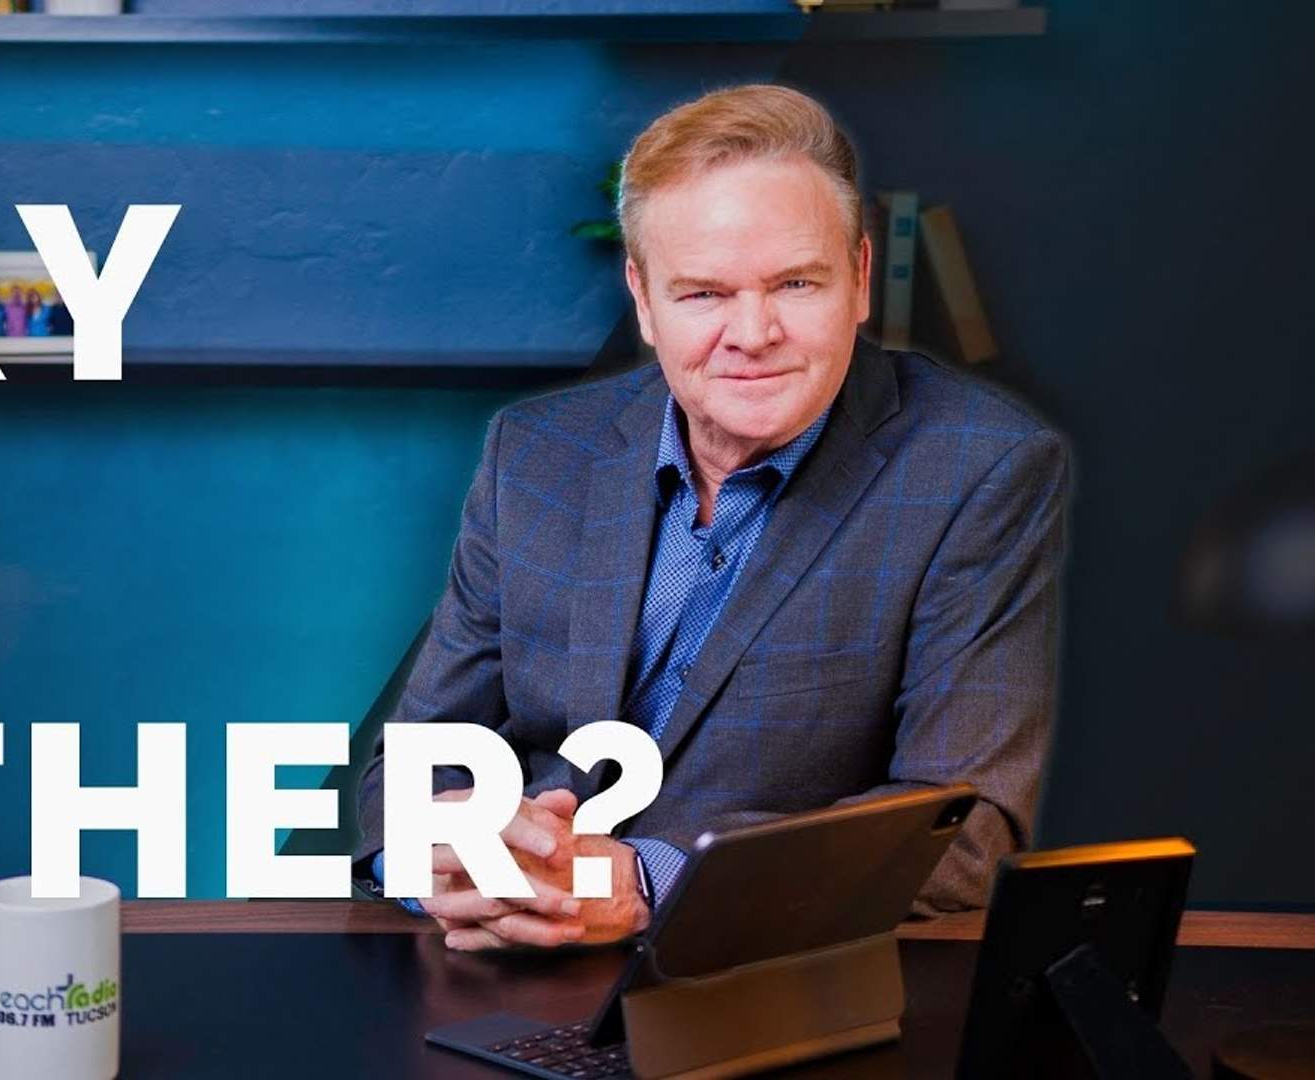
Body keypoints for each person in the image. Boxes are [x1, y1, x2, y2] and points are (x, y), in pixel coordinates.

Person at [353, 84, 1070, 952]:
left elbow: (968, 827)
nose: (752, 332)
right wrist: (442, 860)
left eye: (796, 283)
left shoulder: (980, 469)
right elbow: (412, 765)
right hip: (493, 969)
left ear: (860, 279)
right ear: (645, 301)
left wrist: (651, 883)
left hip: (764, 984)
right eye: (703, 294)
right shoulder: (535, 455)